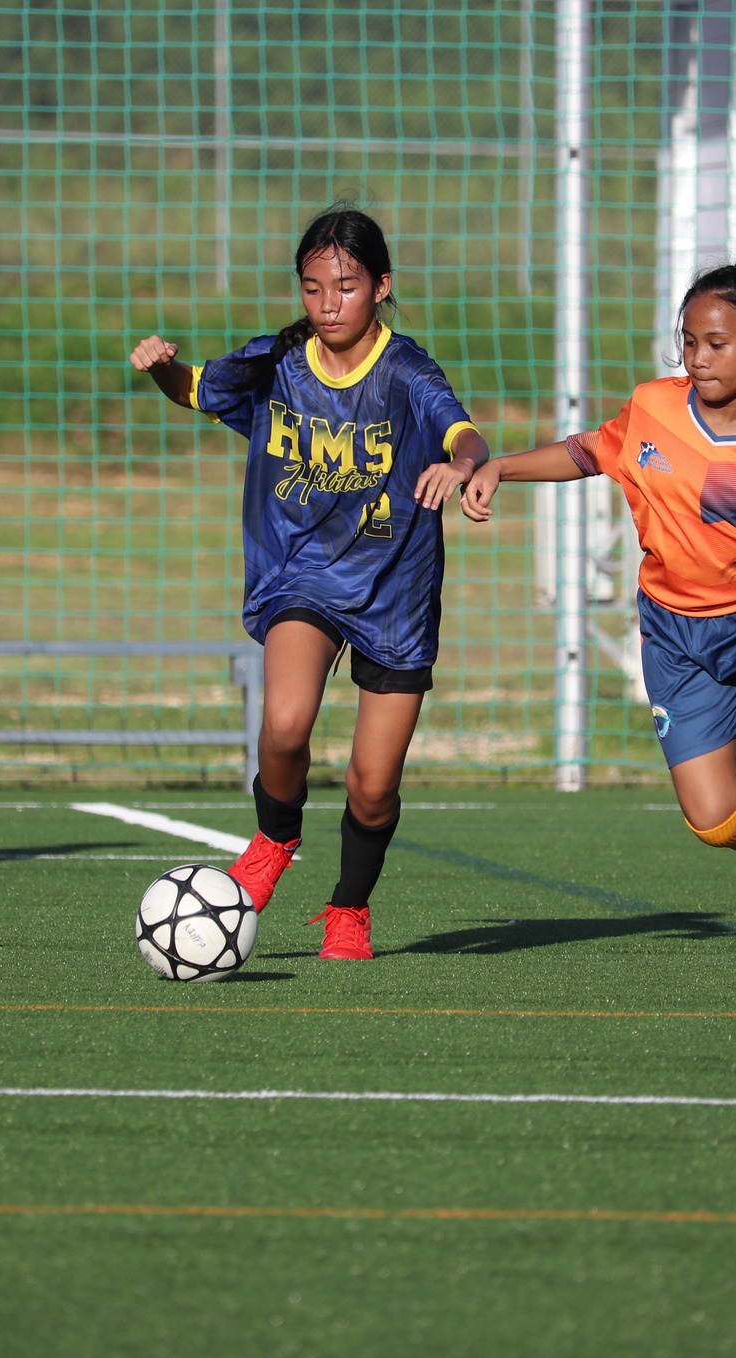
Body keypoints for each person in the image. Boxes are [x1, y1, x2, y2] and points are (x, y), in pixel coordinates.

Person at [462, 262, 736, 978]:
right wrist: (499, 468)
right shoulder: (653, 408)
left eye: (716, 343)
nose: (698, 358)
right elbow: (588, 451)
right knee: (713, 819)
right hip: (675, 632)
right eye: (688, 342)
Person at [129, 207, 489, 959]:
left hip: (396, 588)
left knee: (371, 784)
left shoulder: (407, 371)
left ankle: (349, 907)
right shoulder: (279, 362)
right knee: (286, 722)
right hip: (305, 574)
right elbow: (197, 389)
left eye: (348, 287)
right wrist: (163, 365)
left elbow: (462, 431)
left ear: (381, 288)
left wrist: (464, 466)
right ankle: (274, 839)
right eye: (314, 286)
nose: (329, 303)